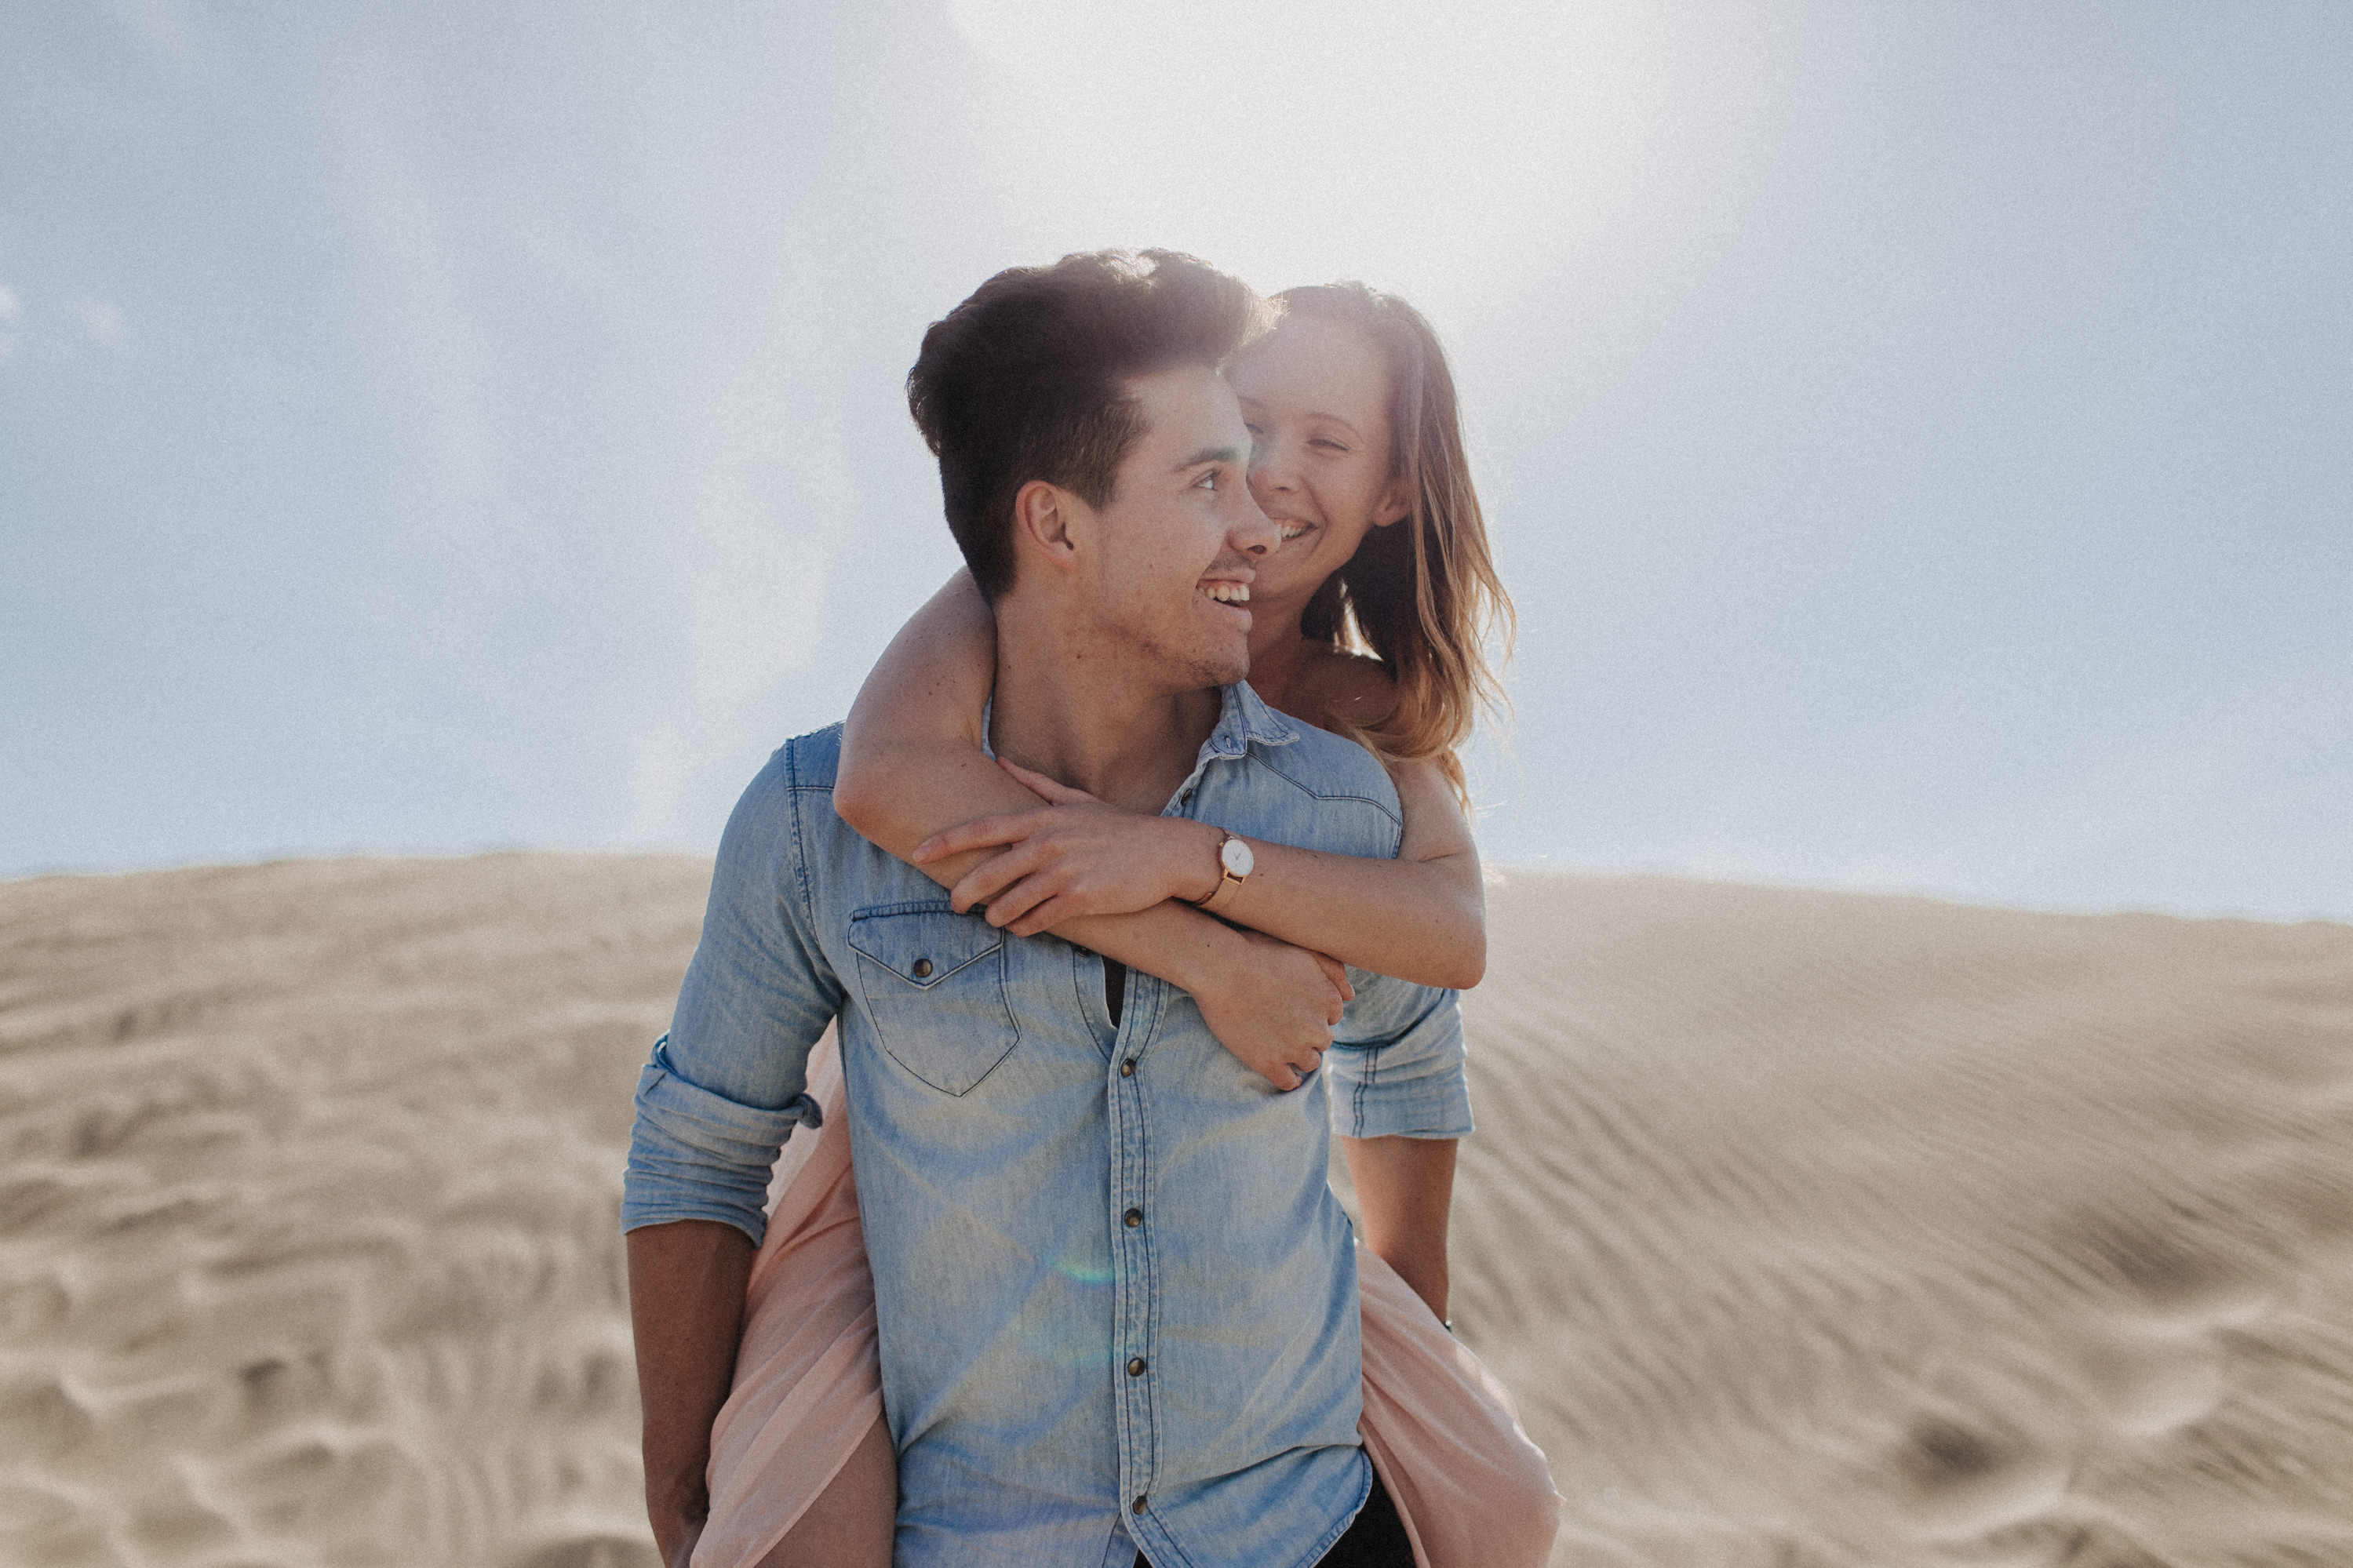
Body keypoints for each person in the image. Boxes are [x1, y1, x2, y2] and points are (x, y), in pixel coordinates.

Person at [625, 252, 1553, 1568]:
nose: (1266, 488)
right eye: (1235, 441)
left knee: (1499, 1491)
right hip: (895, 1171)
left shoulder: (1357, 745)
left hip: (1279, 1490)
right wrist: (1199, 950)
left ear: (1393, 496)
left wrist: (1186, 861)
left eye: (1324, 445)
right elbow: (884, 783)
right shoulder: (960, 647)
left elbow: (1439, 961)